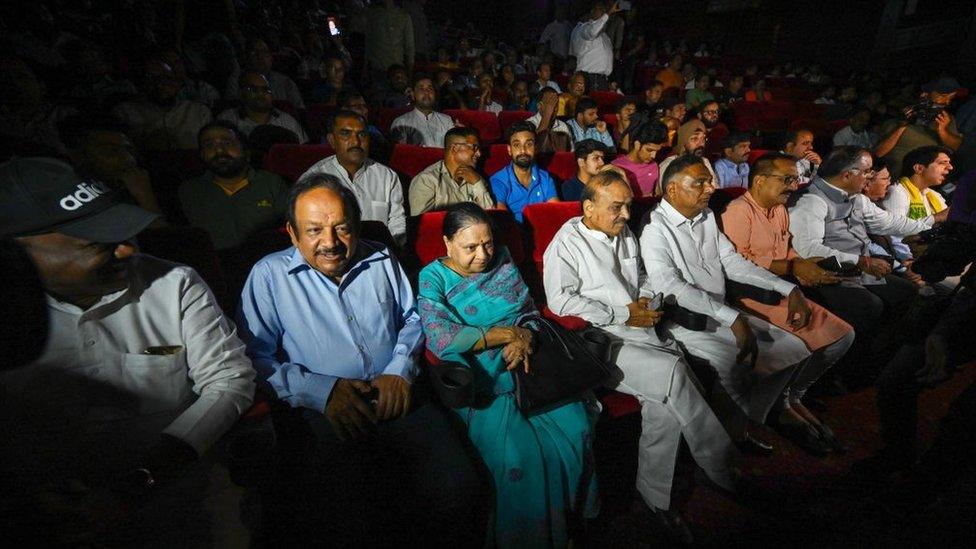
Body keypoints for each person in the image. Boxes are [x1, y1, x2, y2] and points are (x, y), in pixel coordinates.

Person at [0, 157, 255, 545]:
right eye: (98, 243)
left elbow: (229, 380)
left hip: (185, 500)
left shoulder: (173, 283)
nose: (125, 251)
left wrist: (145, 477)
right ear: (18, 253)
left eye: (125, 234)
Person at [237, 176, 485, 546]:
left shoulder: (382, 258)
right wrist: (323, 392)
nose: (331, 242)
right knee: (348, 513)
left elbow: (413, 319)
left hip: (397, 392)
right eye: (315, 230)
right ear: (291, 232)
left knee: (460, 486)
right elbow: (255, 357)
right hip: (323, 409)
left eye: (342, 228)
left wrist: (399, 370)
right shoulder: (268, 276)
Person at [544, 169, 736, 542]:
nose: (627, 215)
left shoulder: (622, 231)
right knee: (675, 372)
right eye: (617, 207)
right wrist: (622, 313)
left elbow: (642, 277)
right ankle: (720, 464)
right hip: (599, 343)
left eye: (629, 206)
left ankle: (654, 498)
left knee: (662, 406)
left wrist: (647, 298)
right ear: (589, 207)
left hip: (640, 329)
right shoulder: (565, 243)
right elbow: (561, 300)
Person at [418, 202, 596, 547]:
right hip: (481, 377)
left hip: (529, 362)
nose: (482, 255)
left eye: (487, 243)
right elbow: (439, 336)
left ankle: (566, 527)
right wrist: (504, 336)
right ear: (447, 244)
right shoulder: (433, 276)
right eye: (470, 247)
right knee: (521, 457)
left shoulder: (500, 257)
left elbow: (526, 310)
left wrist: (526, 334)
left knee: (577, 427)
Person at [642, 154, 814, 454]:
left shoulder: (706, 216)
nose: (711, 188)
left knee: (795, 350)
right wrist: (732, 318)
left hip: (722, 312)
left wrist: (788, 288)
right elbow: (668, 284)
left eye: (710, 180)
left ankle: (748, 423)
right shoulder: (654, 228)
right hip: (686, 320)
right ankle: (724, 443)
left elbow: (731, 262)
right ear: (672, 190)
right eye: (701, 183)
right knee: (734, 367)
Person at [720, 152, 856, 454]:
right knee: (800, 343)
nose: (793, 186)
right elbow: (739, 264)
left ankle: (794, 395)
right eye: (786, 179)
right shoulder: (737, 212)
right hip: (751, 296)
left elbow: (787, 250)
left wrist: (809, 266)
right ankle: (778, 407)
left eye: (795, 179)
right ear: (759, 181)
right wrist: (792, 269)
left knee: (843, 336)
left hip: (783, 291)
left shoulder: (779, 209)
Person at [787, 147, 936, 342]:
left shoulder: (855, 197)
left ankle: (884, 352)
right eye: (867, 172)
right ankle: (858, 358)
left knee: (906, 293)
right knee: (871, 307)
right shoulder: (811, 201)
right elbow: (809, 250)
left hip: (860, 267)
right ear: (847, 175)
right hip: (829, 272)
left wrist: (932, 226)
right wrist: (861, 261)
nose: (870, 176)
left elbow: (888, 222)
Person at [299, 110, 407, 244]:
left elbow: (397, 224)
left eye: (361, 134)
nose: (355, 141)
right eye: (346, 134)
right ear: (332, 140)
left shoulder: (387, 177)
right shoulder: (313, 180)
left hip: (378, 254)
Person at [179, 121, 288, 251]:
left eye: (227, 143)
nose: (219, 150)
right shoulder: (189, 190)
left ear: (246, 152)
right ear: (201, 155)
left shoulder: (272, 183)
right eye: (209, 145)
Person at [60, 114, 165, 216]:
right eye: (111, 151)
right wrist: (145, 198)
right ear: (78, 156)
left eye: (129, 150)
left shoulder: (142, 185)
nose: (129, 159)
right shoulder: (73, 203)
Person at [112, 57, 213, 151]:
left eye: (165, 78)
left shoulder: (199, 112)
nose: (160, 84)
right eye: (151, 79)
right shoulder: (124, 112)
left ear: (176, 82)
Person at [883, 146, 952, 280]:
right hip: (914, 263)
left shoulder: (935, 196)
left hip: (937, 259)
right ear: (919, 168)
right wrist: (910, 263)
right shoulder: (897, 191)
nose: (950, 168)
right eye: (943, 163)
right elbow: (893, 236)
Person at [875, 77, 964, 174]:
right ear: (925, 94)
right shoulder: (904, 114)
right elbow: (878, 153)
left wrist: (943, 131)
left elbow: (959, 147)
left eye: (950, 99)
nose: (947, 102)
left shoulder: (946, 120)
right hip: (892, 177)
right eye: (943, 96)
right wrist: (903, 125)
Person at [409, 127, 495, 215]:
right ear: (455, 148)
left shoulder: (475, 177)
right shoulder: (426, 180)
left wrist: (477, 183)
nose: (479, 153)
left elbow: (490, 216)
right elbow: (422, 225)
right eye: (474, 147)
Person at [490, 121, 559, 222]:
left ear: (535, 148)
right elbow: (502, 221)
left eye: (529, 144)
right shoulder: (498, 181)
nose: (523, 150)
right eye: (517, 145)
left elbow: (556, 213)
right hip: (514, 234)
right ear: (509, 150)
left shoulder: (546, 178)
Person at [218, 71, 308, 143]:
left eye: (265, 90)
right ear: (241, 93)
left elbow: (301, 150)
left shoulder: (287, 121)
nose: (261, 94)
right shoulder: (227, 118)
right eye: (253, 89)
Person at [225, 39, 305, 110]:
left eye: (264, 52)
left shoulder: (286, 83)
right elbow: (231, 106)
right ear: (246, 57)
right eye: (254, 53)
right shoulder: (236, 79)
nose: (259, 57)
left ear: (271, 57)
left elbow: (299, 111)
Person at [390, 75, 455, 147]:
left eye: (430, 89)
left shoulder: (446, 120)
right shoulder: (401, 123)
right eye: (421, 89)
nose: (426, 92)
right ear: (412, 94)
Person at [570, 1, 619, 91]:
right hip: (589, 77)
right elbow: (593, 32)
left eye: (604, 10)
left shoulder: (605, 36)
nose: (603, 12)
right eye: (600, 9)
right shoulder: (585, 27)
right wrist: (608, 13)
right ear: (592, 12)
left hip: (602, 79)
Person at [657, 119, 716, 194]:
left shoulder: (705, 161)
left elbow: (714, 188)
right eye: (694, 139)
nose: (701, 144)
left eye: (703, 139)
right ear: (683, 143)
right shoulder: (669, 164)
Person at [364, 0, 415, 85]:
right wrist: (365, 65)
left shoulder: (403, 16)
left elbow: (409, 47)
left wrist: (410, 72)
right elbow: (368, 41)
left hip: (396, 70)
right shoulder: (373, 14)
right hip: (377, 68)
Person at [612, 119, 668, 196]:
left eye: (657, 151)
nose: (653, 156)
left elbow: (657, 193)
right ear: (637, 144)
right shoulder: (617, 166)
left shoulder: (654, 165)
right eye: (649, 150)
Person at [527, 86, 573, 152]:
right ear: (539, 106)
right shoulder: (529, 124)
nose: (554, 108)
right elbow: (533, 150)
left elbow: (569, 153)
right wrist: (547, 115)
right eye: (550, 104)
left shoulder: (563, 126)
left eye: (556, 104)